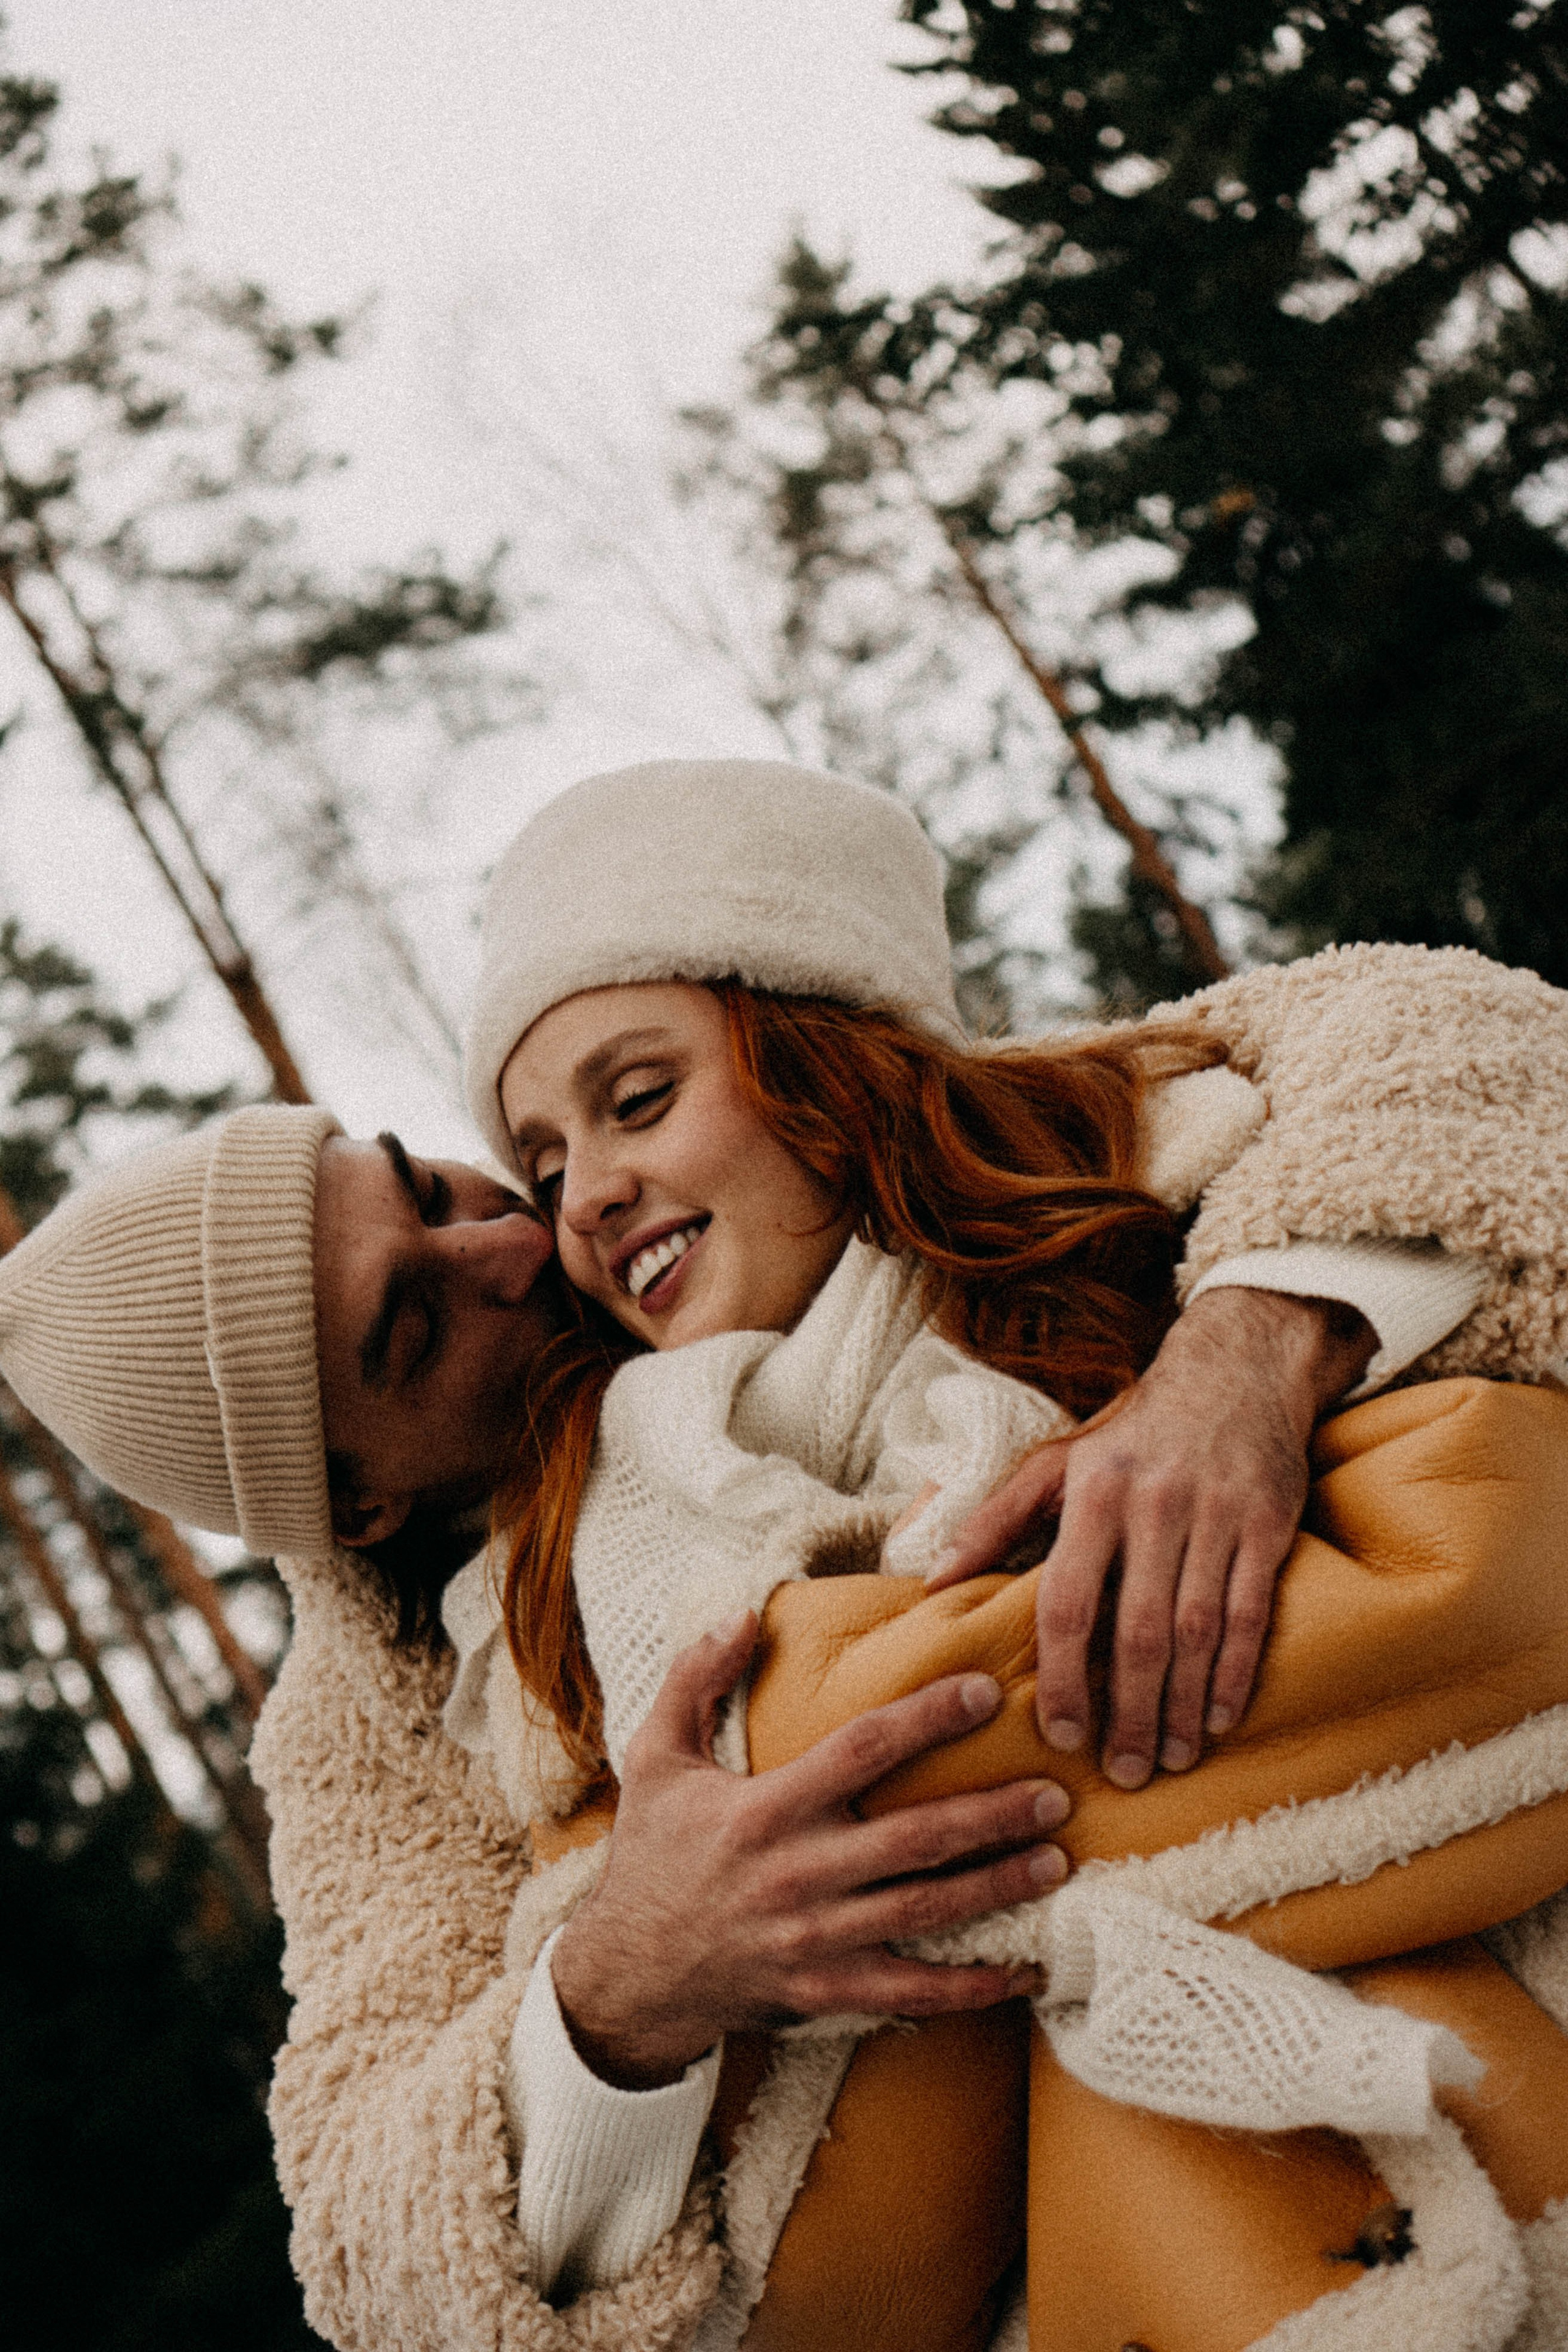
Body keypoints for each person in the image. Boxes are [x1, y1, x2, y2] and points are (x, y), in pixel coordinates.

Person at [0, 762, 1562, 2350]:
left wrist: (1254, 1349)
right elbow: (371, 2244)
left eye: (439, 1184)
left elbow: (1442, 1043)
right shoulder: (388, 1728)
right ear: (359, 1508)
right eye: (415, 1324)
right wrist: (623, 1980)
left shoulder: (985, 1165)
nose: (516, 1241)